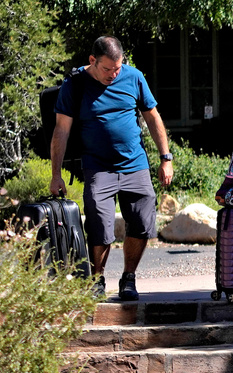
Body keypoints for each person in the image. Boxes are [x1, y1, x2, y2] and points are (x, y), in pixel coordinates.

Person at [49, 36, 174, 300]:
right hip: (98, 167)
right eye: (107, 69)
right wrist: (56, 174)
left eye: (118, 68)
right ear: (92, 61)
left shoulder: (134, 77)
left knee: (141, 222)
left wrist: (166, 157)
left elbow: (153, 117)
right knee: (99, 227)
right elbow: (61, 130)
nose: (114, 74)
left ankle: (129, 278)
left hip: (135, 163)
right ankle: (97, 279)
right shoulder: (75, 85)